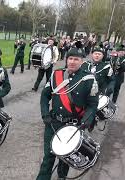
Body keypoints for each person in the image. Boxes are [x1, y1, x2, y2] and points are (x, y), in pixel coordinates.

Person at [36, 48, 98, 180]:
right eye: (70, 58)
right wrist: (45, 114)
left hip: (72, 126)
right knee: (48, 156)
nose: (73, 62)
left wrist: (86, 121)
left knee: (66, 159)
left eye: (76, 59)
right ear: (66, 60)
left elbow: (93, 105)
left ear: (82, 62)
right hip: (53, 123)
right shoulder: (56, 75)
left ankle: (61, 177)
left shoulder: (89, 79)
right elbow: (45, 96)